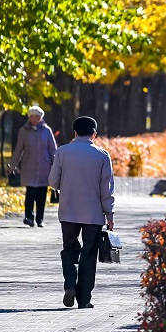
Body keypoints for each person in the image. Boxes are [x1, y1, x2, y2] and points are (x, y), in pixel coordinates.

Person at [48, 116, 114, 310]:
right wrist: (109, 215)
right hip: (93, 214)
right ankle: (84, 299)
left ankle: (70, 285)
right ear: (94, 134)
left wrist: (65, 187)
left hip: (68, 211)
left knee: (69, 249)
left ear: (74, 133)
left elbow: (53, 181)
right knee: (89, 253)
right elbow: (106, 189)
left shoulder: (63, 152)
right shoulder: (102, 155)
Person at [9, 105, 57, 227]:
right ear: (29, 118)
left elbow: (52, 149)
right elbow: (19, 149)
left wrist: (57, 166)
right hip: (29, 166)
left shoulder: (47, 130)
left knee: (42, 194)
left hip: (44, 167)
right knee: (30, 193)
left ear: (41, 118)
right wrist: (12, 166)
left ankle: (40, 219)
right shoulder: (24, 131)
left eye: (37, 117)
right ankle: (29, 217)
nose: (35, 119)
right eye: (32, 117)